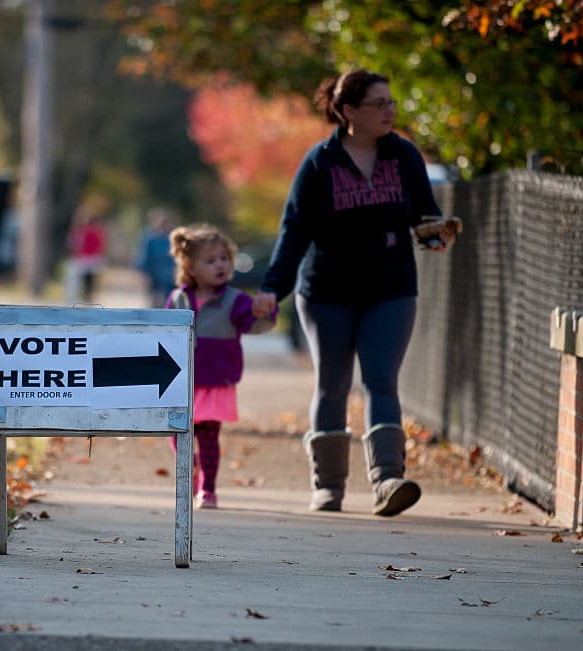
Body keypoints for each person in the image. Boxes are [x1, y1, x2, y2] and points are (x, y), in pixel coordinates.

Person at [251, 69, 455, 516]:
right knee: (333, 384)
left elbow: (425, 213)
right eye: (379, 104)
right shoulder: (320, 162)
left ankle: (387, 480)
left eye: (391, 103)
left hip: (390, 289)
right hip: (327, 292)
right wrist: (272, 289)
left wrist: (435, 234)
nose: (389, 111)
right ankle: (328, 487)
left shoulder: (403, 156)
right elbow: (295, 231)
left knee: (382, 380)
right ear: (348, 112)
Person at [166, 224, 277, 509]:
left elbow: (253, 325)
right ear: (190, 266)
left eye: (224, 258)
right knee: (178, 434)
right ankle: (188, 472)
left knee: (209, 436)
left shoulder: (235, 300)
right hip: (181, 381)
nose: (220, 265)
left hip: (216, 380)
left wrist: (267, 313)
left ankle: (209, 489)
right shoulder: (178, 299)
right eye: (210, 260)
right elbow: (165, 334)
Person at [133, 207, 177, 308]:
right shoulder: (150, 238)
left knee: (169, 301)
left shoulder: (172, 238)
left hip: (170, 277)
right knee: (155, 301)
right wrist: (143, 272)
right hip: (154, 275)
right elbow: (143, 256)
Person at [65, 212, 107, 303]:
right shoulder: (92, 232)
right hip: (87, 258)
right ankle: (85, 296)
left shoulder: (87, 232)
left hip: (86, 258)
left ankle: (83, 296)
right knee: (87, 279)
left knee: (85, 279)